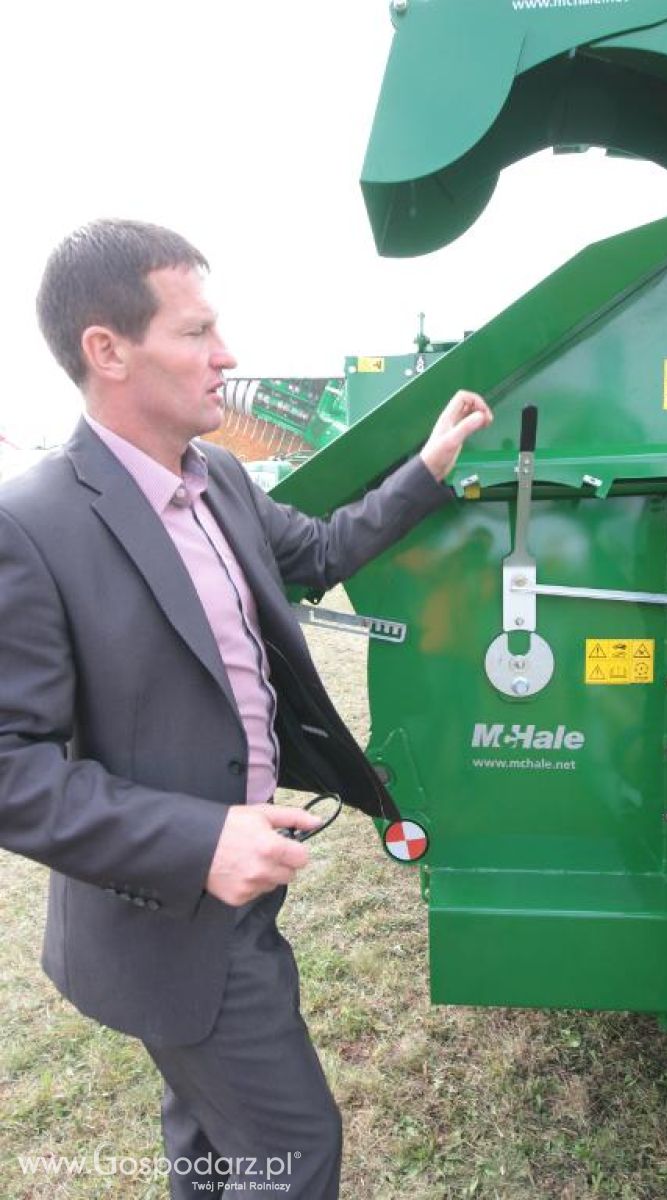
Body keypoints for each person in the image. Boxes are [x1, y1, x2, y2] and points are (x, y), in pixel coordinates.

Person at [0, 219, 491, 1198]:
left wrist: (426, 468)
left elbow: (315, 553)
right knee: (291, 1149)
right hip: (170, 917)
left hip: (241, 890)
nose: (226, 356)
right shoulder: (34, 525)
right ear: (108, 350)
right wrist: (199, 842)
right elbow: (13, 771)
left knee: (214, 1144)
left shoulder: (217, 476)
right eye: (195, 333)